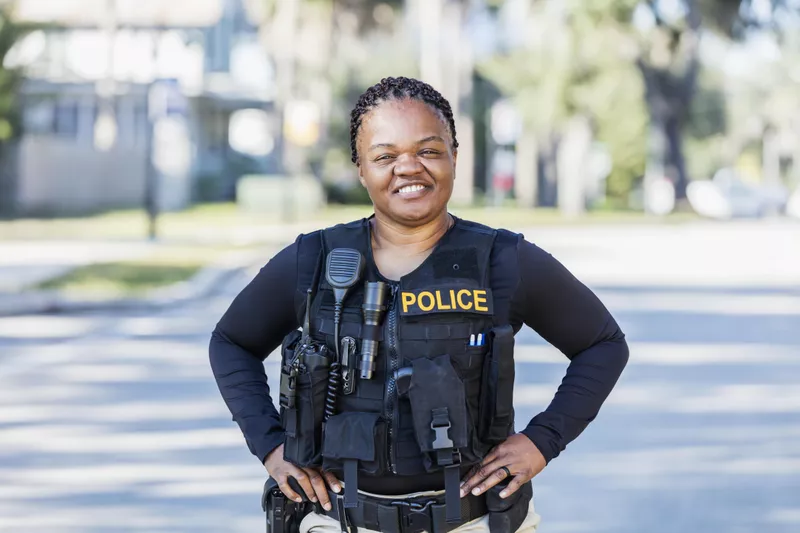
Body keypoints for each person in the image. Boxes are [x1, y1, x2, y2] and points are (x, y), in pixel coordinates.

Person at [210, 76, 629, 533]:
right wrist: (270, 448)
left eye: (428, 151)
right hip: (338, 522)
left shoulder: (501, 260)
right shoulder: (313, 261)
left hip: (471, 522)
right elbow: (231, 342)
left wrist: (542, 442)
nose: (408, 168)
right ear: (360, 168)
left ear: (454, 155)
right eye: (385, 156)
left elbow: (603, 344)